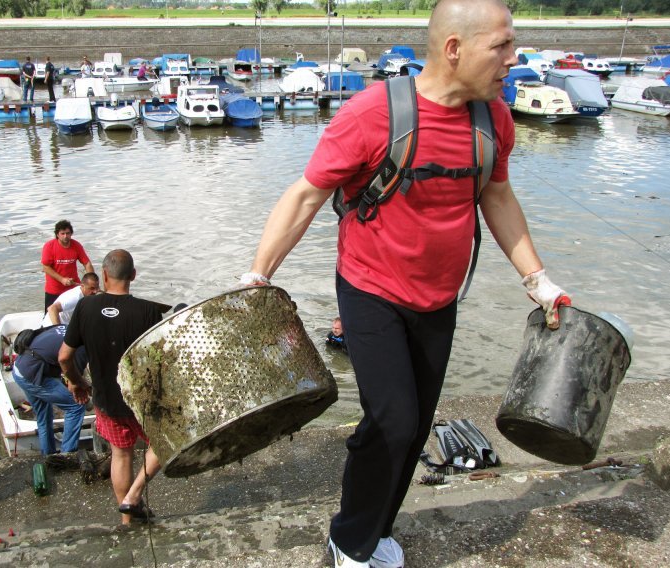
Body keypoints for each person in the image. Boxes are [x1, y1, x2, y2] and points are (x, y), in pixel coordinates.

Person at [239, 1, 571, 566]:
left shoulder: (494, 121)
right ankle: (348, 540)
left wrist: (537, 279)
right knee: (391, 419)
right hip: (370, 292)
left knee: (415, 427)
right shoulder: (372, 115)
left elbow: (496, 196)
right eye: (502, 47)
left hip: (440, 298)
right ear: (454, 50)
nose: (513, 60)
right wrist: (257, 276)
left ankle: (378, 530)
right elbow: (305, 196)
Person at [59, 249, 164, 525]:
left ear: (104, 275)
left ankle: (126, 520)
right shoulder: (149, 311)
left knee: (121, 453)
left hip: (105, 398)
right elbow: (160, 361)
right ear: (133, 275)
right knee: (166, 442)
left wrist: (76, 382)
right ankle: (134, 494)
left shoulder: (85, 307)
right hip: (139, 399)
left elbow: (63, 357)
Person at [12, 325, 88, 456]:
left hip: (19, 369)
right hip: (33, 375)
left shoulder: (66, 327)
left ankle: (48, 455)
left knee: (43, 416)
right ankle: (67, 455)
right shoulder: (82, 346)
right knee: (76, 406)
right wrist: (87, 392)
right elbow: (73, 385)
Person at [41, 219, 94, 312]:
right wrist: (62, 279)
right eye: (62, 233)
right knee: (50, 315)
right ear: (57, 234)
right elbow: (45, 267)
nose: (66, 236)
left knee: (77, 315)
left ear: (71, 233)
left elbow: (87, 263)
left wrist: (91, 281)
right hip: (54, 290)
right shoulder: (49, 246)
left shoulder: (76, 245)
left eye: (68, 233)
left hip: (73, 289)